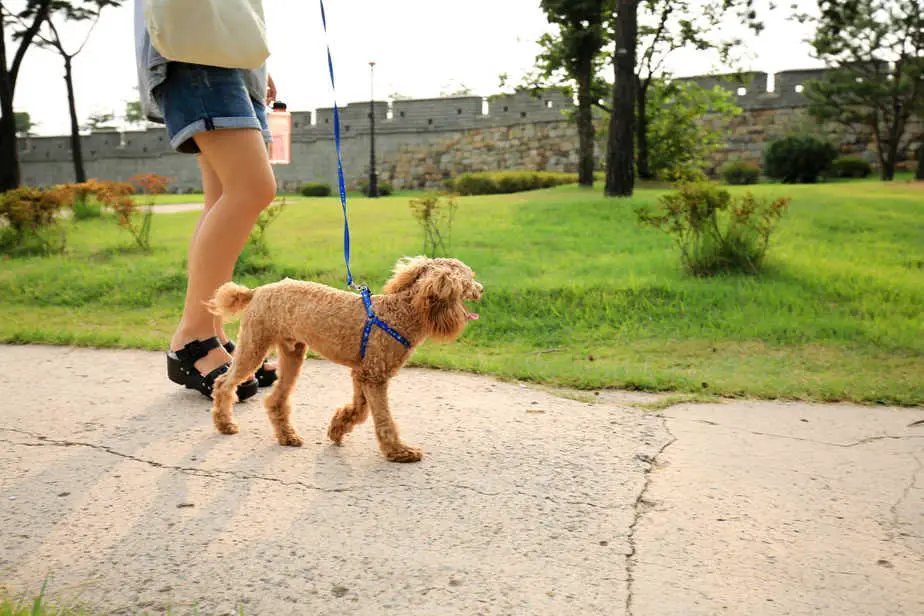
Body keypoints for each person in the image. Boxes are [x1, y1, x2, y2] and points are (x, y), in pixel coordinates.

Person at [134, 0, 277, 400]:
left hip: (228, 54)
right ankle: (191, 338)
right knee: (252, 188)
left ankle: (211, 332)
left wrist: (254, 63)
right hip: (194, 48)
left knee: (222, 197)